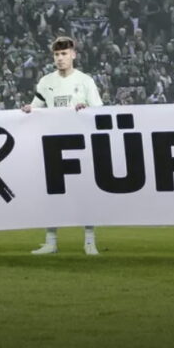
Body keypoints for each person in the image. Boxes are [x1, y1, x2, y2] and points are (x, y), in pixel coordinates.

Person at [22, 37, 105, 255]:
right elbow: (35, 106)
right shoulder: (46, 82)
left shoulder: (86, 81)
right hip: (52, 144)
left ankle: (89, 241)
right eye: (57, 55)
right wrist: (28, 109)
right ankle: (50, 241)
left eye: (64, 54)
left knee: (84, 193)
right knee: (52, 194)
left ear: (73, 55)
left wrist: (85, 107)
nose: (60, 58)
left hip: (80, 145)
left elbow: (99, 110)